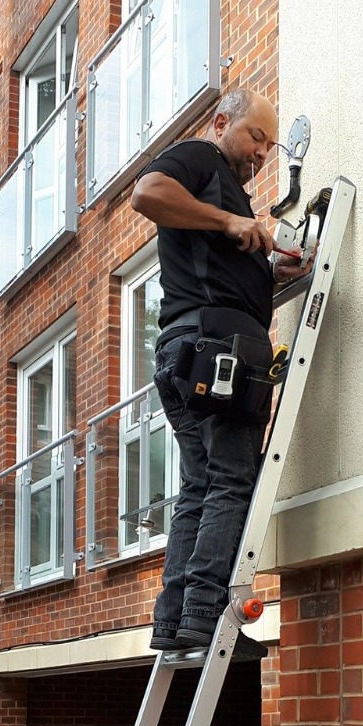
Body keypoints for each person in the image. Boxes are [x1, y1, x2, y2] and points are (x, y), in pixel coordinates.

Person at [131, 88, 311, 659]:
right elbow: (147, 193)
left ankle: (175, 618)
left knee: (200, 485)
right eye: (255, 137)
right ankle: (206, 616)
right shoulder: (201, 160)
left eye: (270, 144)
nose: (262, 152)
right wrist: (231, 220)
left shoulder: (224, 198)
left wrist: (271, 273)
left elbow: (223, 270)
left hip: (190, 348)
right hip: (214, 346)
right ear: (221, 122)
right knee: (233, 480)